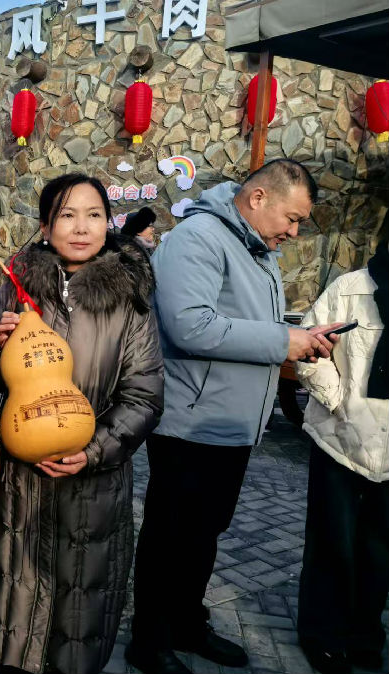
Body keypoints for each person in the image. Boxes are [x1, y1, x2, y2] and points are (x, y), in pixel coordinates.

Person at [127, 159, 341, 674]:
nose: (293, 232)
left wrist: (300, 339)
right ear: (260, 198)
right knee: (170, 533)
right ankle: (149, 640)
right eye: (291, 219)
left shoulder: (256, 247)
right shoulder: (200, 236)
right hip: (191, 421)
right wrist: (285, 341)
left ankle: (186, 623)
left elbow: (244, 323)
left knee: (204, 533)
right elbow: (190, 327)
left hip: (234, 423)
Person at [0, 173, 164, 674]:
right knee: (18, 633)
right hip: (21, 489)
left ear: (110, 223)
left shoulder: (131, 299)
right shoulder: (15, 288)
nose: (81, 227)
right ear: (44, 226)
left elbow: (144, 395)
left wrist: (95, 450)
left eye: (94, 215)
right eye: (66, 215)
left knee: (76, 638)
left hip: (94, 491)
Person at [294, 221, 389, 674]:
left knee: (380, 548)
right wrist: (339, 404)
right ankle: (323, 635)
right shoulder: (351, 288)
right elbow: (311, 350)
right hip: (340, 438)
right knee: (334, 543)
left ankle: (365, 633)